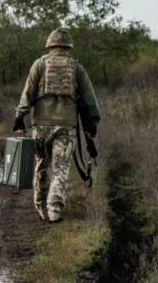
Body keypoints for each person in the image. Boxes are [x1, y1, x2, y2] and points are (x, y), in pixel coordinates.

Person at [14, 28, 102, 222]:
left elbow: (27, 92)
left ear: (50, 45)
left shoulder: (39, 65)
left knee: (42, 165)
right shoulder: (76, 68)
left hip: (41, 126)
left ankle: (40, 206)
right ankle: (54, 208)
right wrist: (92, 123)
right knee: (61, 167)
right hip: (66, 127)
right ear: (68, 47)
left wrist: (20, 116)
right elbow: (89, 99)